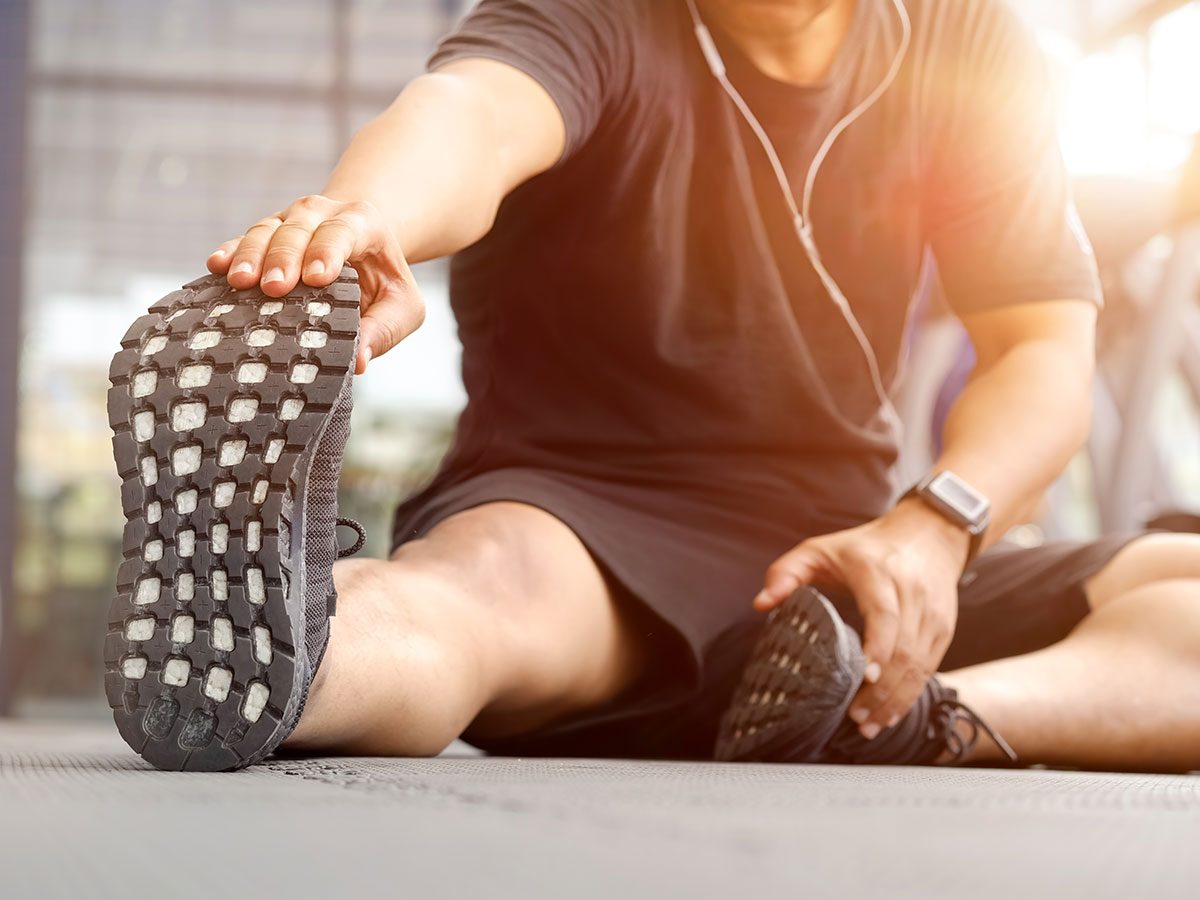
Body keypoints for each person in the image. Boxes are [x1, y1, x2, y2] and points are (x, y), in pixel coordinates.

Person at [203, 0, 1200, 771]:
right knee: (467, 599)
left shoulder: (965, 44)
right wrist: (367, 214)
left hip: (843, 572)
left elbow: (1041, 350)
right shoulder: (594, 16)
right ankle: (242, 650)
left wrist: (936, 527)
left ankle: (909, 722)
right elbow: (474, 114)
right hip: (585, 531)